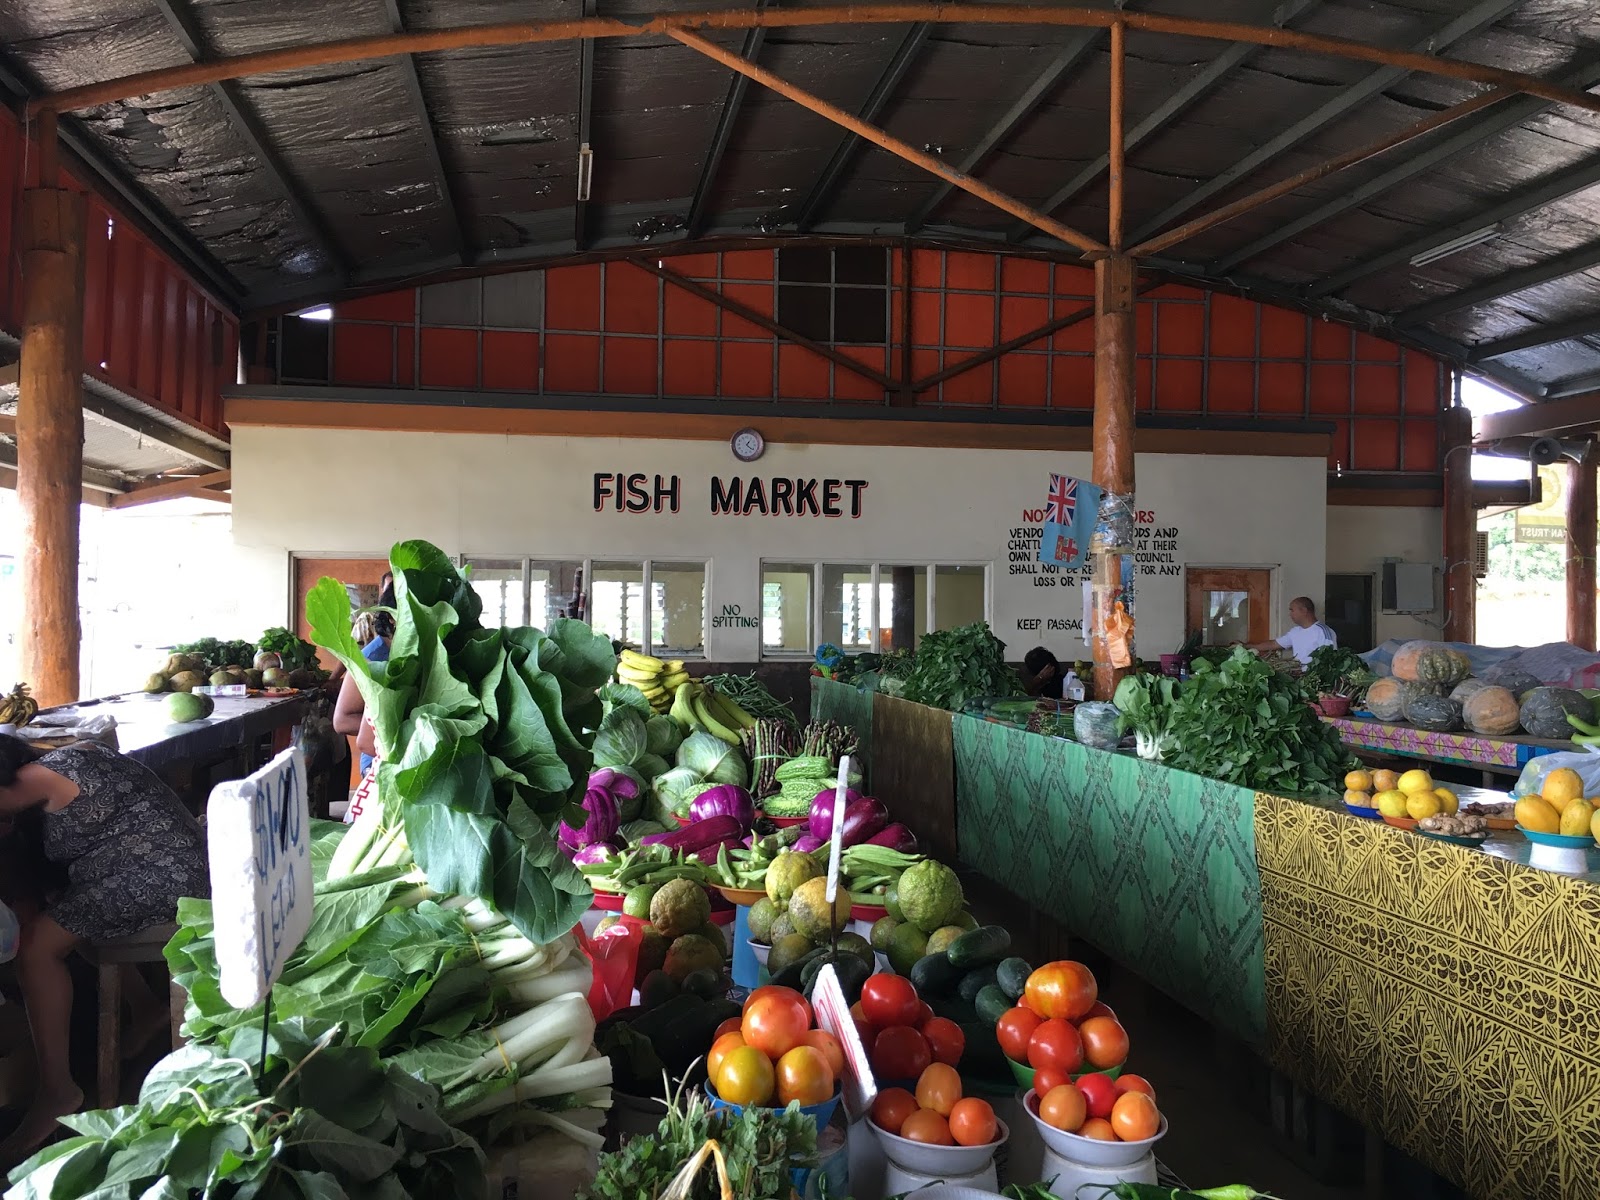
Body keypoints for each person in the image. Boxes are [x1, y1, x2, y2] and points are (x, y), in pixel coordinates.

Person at [0, 735, 208, 1161]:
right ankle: (146, 1007)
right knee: (64, 905)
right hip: (179, 864)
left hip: (164, 877)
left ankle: (57, 1090)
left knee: (36, 948)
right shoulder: (71, 753)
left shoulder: (28, 782)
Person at [334, 580, 396, 782]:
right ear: (393, 619)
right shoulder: (370, 658)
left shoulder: (417, 654)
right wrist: (394, 729)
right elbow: (342, 721)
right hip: (376, 763)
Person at [1254, 596, 1337, 666]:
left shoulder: (1323, 631)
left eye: (1292, 610)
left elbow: (1329, 659)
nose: (1290, 614)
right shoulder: (1295, 631)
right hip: (1299, 679)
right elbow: (1274, 644)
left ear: (1304, 610)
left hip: (1315, 680)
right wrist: (1246, 646)